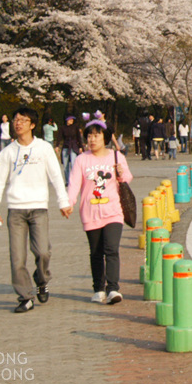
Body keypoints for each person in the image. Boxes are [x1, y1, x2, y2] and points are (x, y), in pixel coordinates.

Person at [0, 106, 72, 313]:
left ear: (32, 125)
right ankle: (25, 296)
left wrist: (63, 202)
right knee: (17, 257)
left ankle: (42, 280)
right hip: (15, 210)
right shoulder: (7, 152)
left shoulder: (43, 148)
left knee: (43, 251)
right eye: (16, 120)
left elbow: (55, 176)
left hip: (38, 208)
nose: (18, 123)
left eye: (23, 120)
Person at [67, 114, 132, 305]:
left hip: (113, 211)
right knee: (96, 252)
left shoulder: (116, 156)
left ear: (105, 137)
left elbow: (127, 178)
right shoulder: (81, 160)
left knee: (111, 249)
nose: (92, 139)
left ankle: (113, 288)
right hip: (90, 212)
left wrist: (121, 174)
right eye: (89, 136)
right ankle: (98, 289)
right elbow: (74, 184)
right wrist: (69, 203)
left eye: (96, 135)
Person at [57, 114, 83, 186]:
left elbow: (79, 137)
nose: (71, 121)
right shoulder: (63, 128)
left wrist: (80, 147)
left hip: (74, 147)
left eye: (72, 119)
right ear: (66, 120)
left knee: (74, 164)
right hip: (66, 147)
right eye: (70, 119)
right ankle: (68, 181)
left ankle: (75, 180)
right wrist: (57, 146)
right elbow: (59, 137)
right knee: (65, 165)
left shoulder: (75, 127)